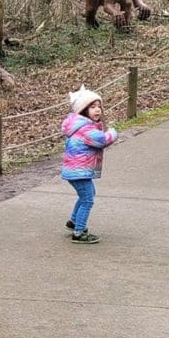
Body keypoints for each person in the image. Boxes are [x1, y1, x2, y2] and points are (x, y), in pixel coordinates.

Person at [61, 86, 118, 244]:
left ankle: (73, 221)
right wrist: (113, 133)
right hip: (79, 170)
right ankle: (79, 232)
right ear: (83, 110)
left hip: (76, 169)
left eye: (99, 106)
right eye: (92, 107)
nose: (97, 110)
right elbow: (102, 140)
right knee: (88, 199)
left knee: (88, 194)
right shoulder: (85, 128)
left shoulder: (80, 124)